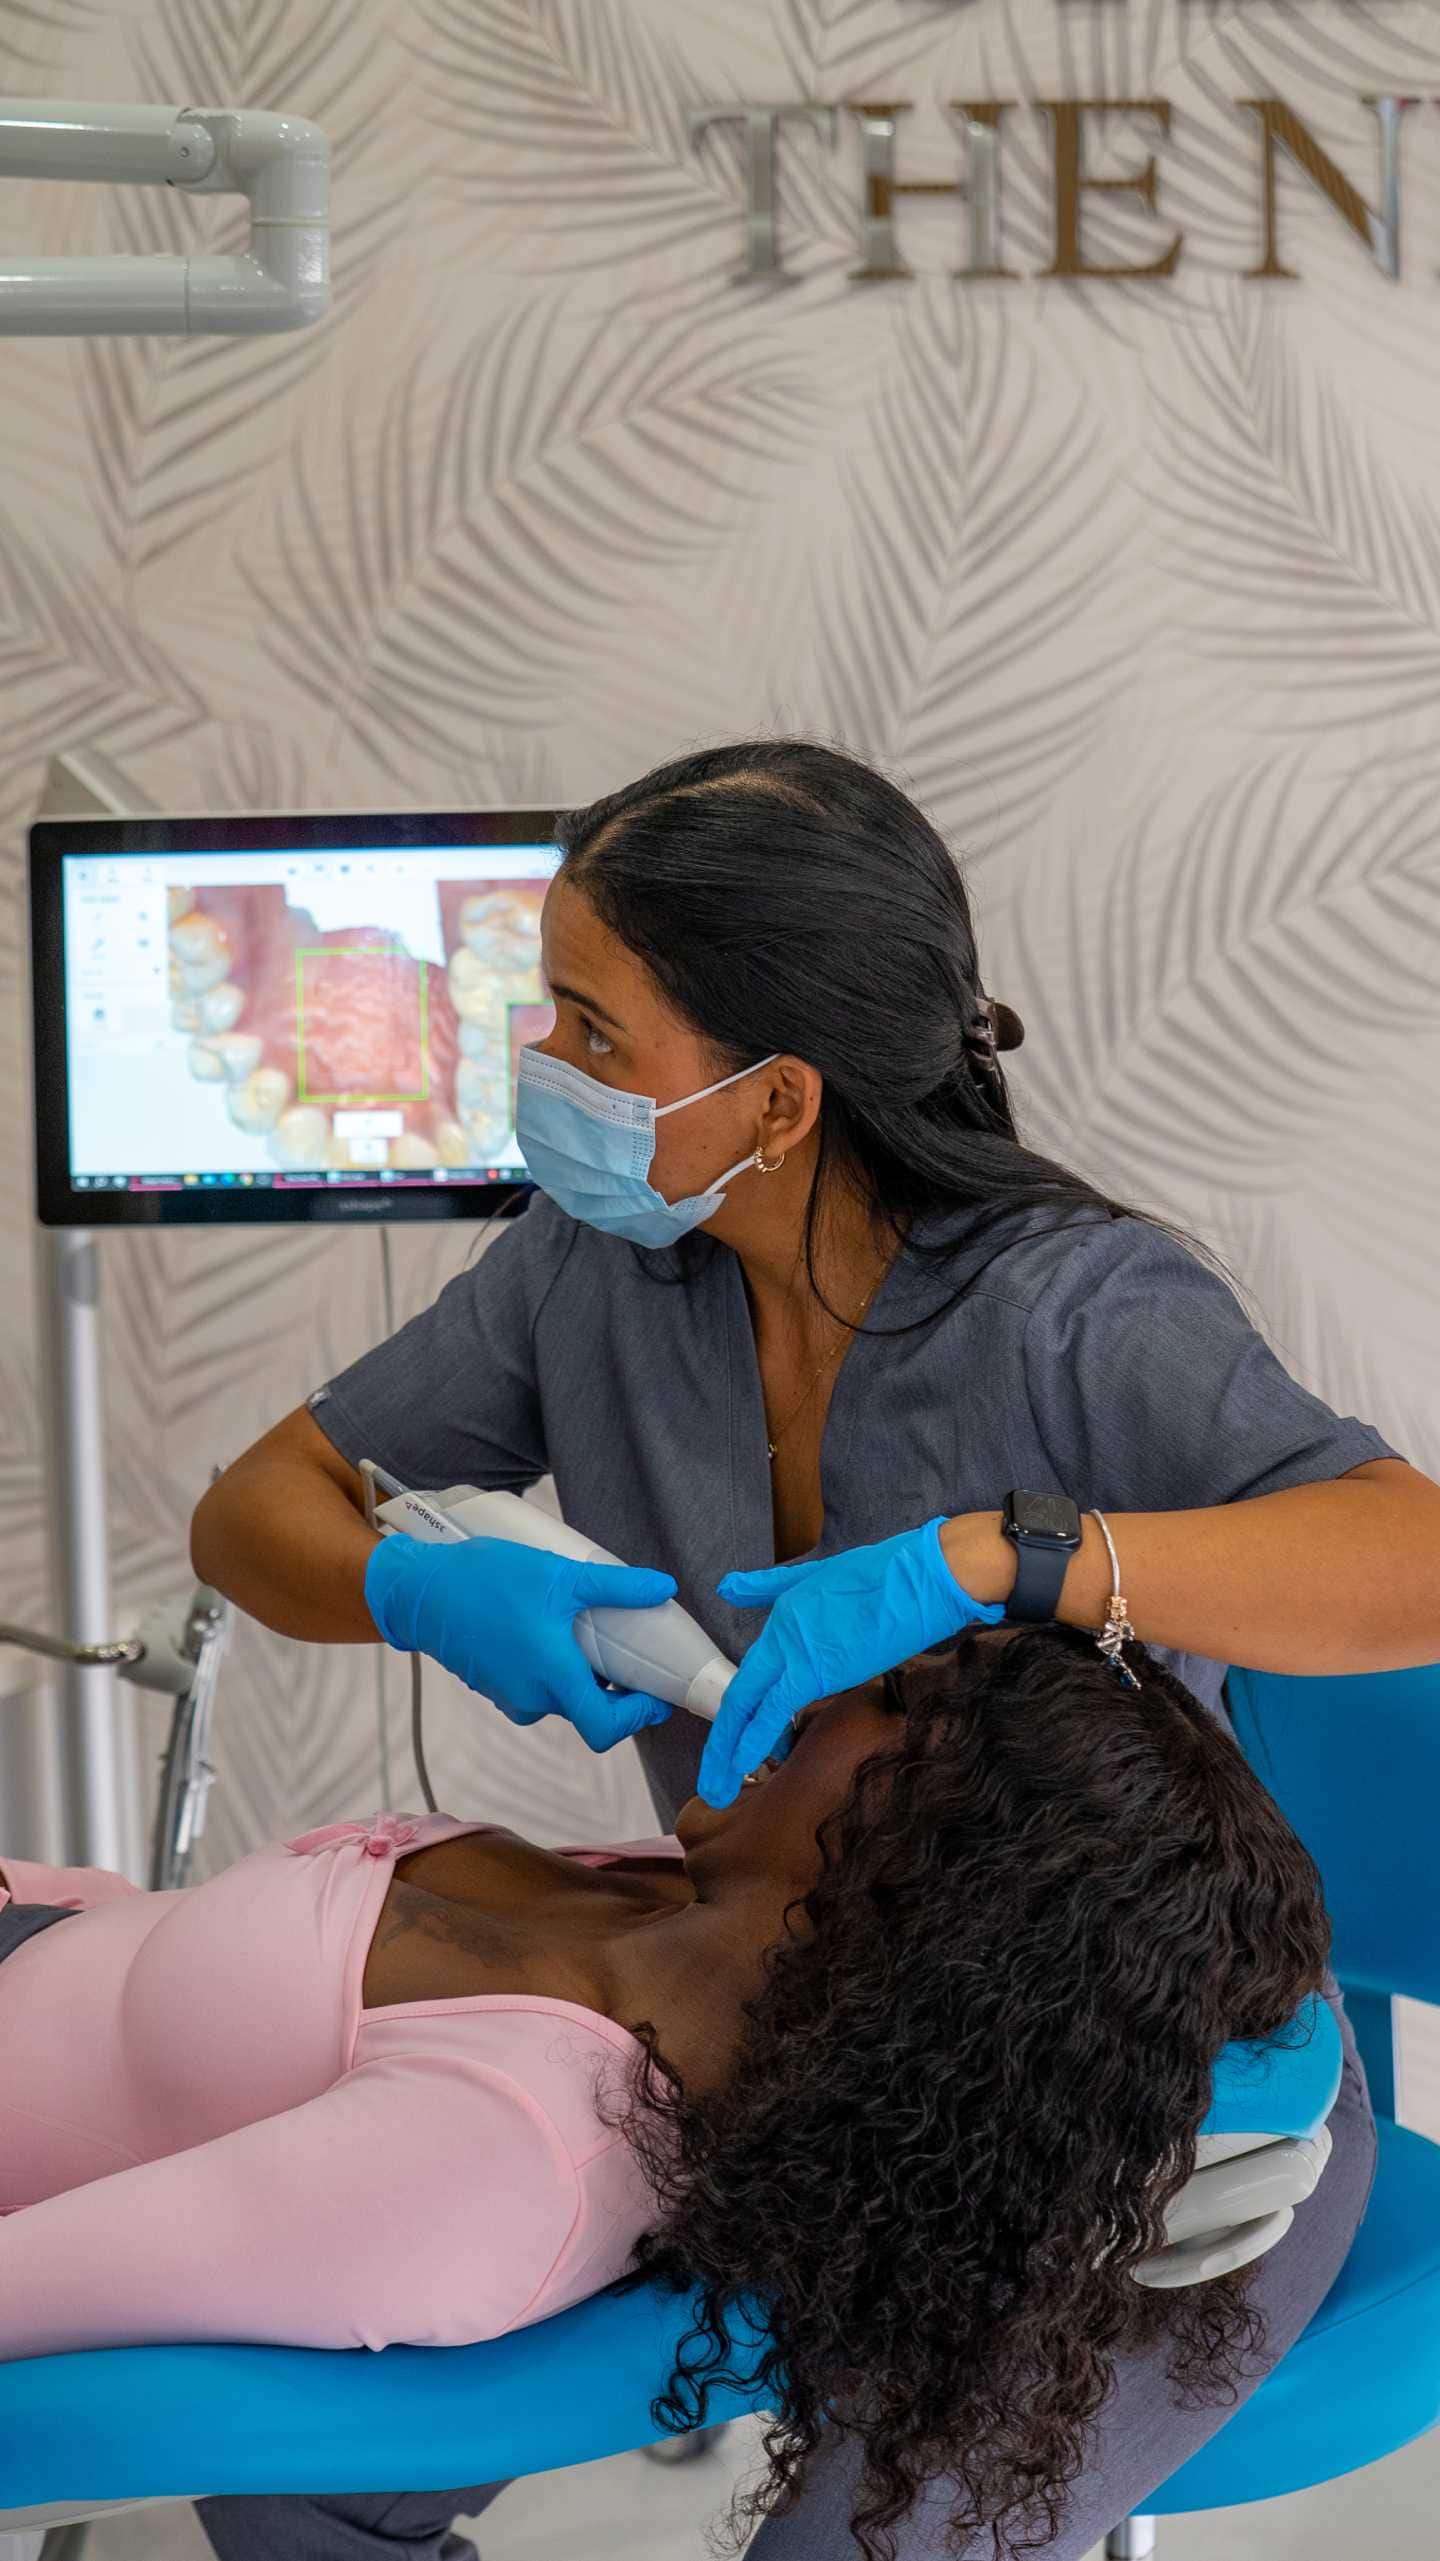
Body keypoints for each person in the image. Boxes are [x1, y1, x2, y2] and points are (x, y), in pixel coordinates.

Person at [185, 736, 1440, 2557]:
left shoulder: (1077, 1309)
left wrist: (1010, 1558)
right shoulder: (590, 1274)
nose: (541, 1060)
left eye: (593, 1030)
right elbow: (254, 1508)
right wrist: (407, 1584)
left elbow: (1414, 1556)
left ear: (777, 1100)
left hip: (1127, 2087)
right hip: (763, 2032)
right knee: (295, 2466)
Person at [0, 1625, 1347, 2557]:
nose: (823, 1676)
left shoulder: (506, 2147)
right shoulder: (690, 1912)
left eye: (889, 1694)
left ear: (928, 1857)